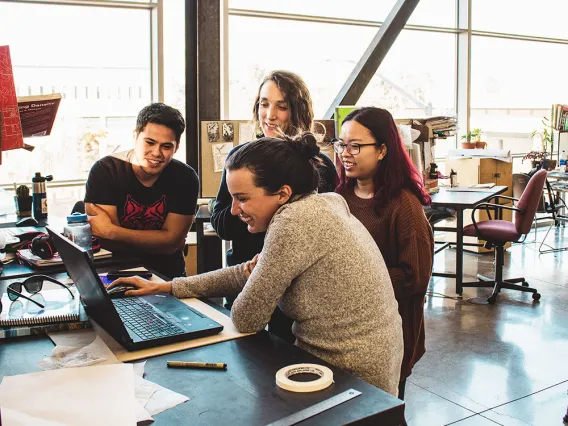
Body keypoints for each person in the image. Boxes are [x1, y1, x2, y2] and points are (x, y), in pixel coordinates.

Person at [110, 133, 403, 396]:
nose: (235, 210)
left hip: (348, 376)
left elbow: (246, 317)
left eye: (242, 198)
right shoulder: (320, 204)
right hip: (368, 361)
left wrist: (254, 278)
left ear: (283, 194)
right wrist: (168, 286)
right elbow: (247, 271)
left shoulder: (294, 223)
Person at [211, 70, 337, 341]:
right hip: (245, 280)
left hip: (296, 292)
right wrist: (251, 204)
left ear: (298, 111)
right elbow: (221, 223)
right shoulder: (241, 158)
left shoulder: (320, 167)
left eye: (282, 106)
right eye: (264, 104)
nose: (270, 114)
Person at [335, 107, 434, 400]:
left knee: (383, 408)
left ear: (382, 150)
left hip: (389, 331)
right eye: (341, 144)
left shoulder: (404, 206)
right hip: (347, 329)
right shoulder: (339, 199)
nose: (345, 153)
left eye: (355, 146)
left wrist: (354, 284)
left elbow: (415, 277)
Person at [84, 103, 199, 279]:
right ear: (135, 136)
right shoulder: (105, 170)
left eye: (166, 146)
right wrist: (160, 240)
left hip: (167, 277)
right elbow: (106, 241)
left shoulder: (185, 178)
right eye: (150, 142)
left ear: (176, 147)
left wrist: (113, 231)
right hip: (116, 274)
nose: (156, 153)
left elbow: (171, 243)